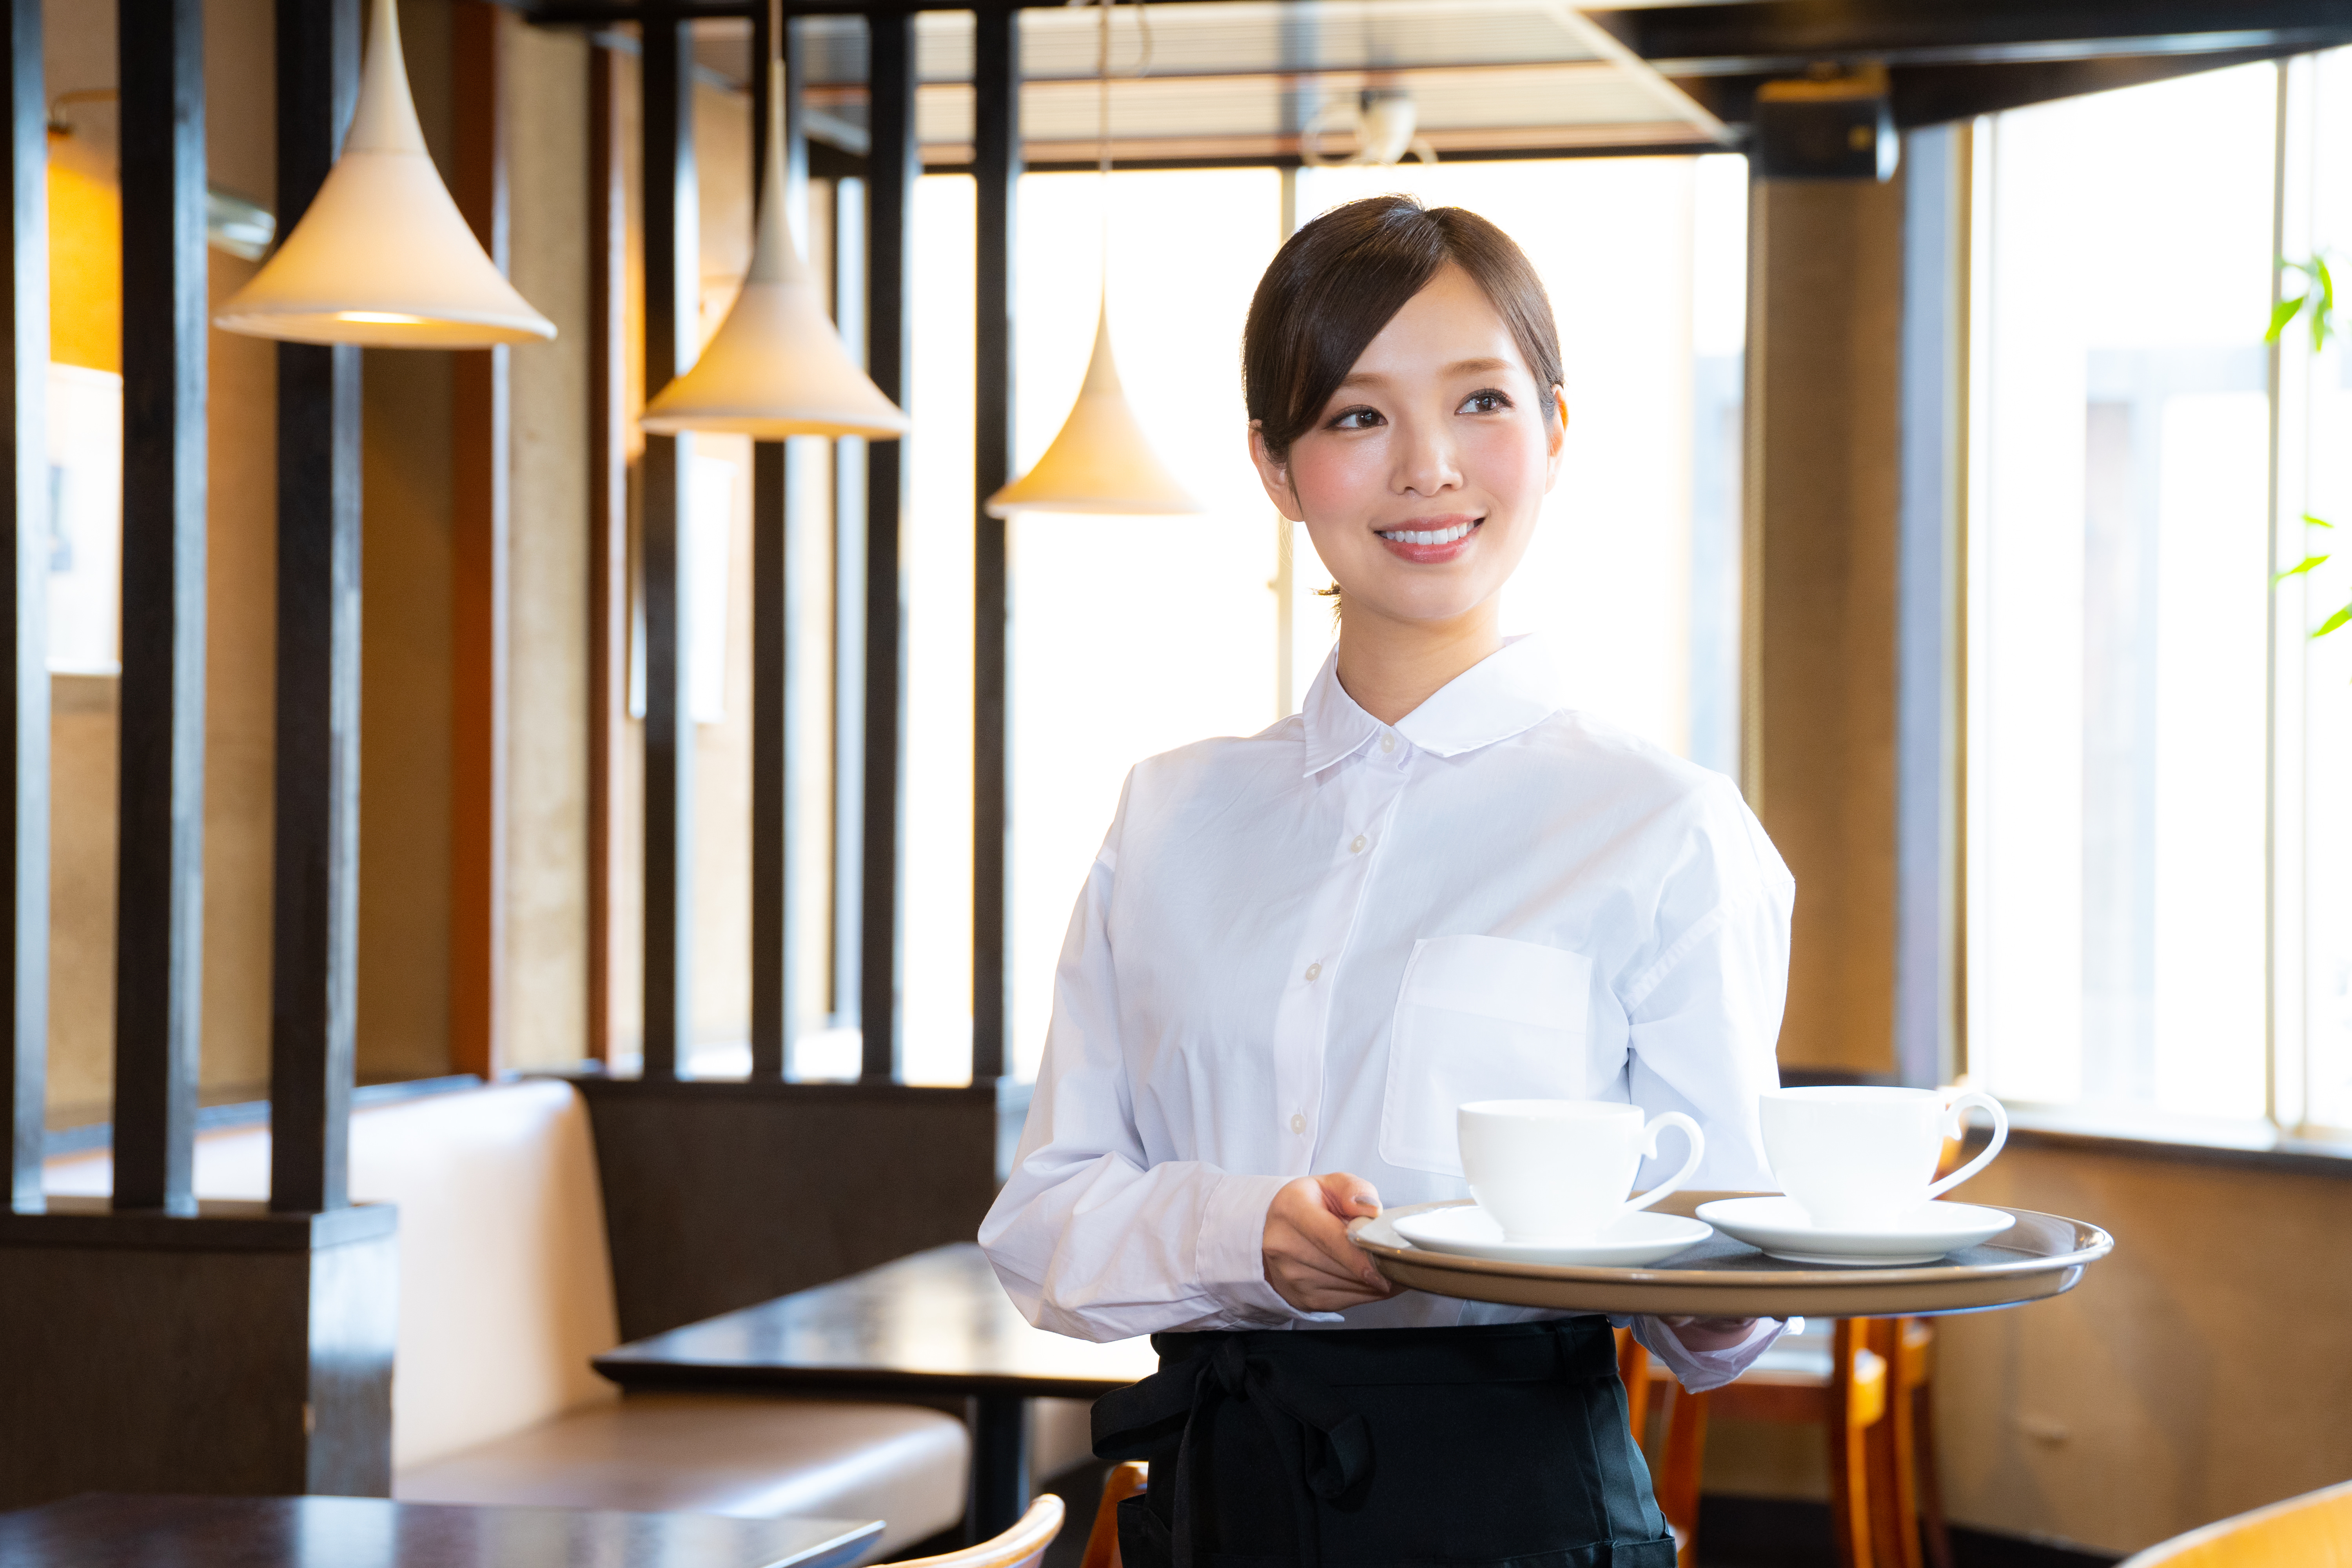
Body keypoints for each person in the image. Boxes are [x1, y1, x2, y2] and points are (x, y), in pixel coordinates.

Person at [979, 194, 1795, 1568]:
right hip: (1212, 1510)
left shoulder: (1664, 827)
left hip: (1526, 1517)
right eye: (1357, 417)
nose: (1429, 467)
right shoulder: (1170, 815)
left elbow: (1720, 1293)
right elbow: (1042, 1224)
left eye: (1481, 401)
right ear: (1276, 468)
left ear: (1556, 430)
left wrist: (1731, 1283)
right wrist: (1249, 1234)